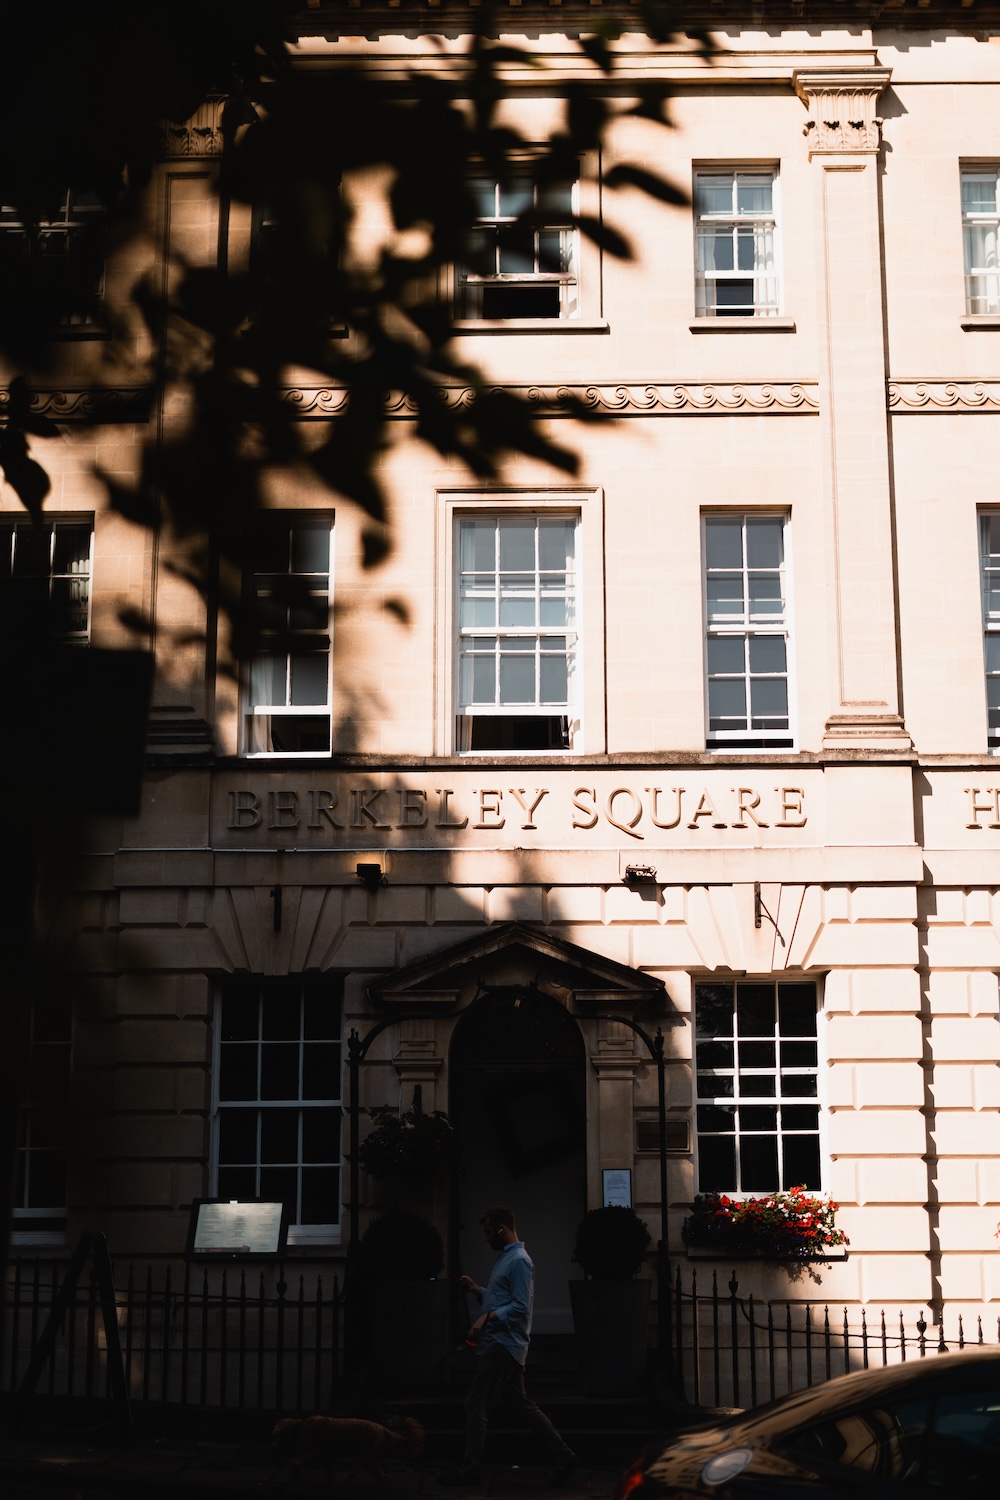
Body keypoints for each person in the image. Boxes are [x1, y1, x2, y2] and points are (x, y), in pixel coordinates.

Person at [436, 1205, 578, 1489]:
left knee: (476, 1405)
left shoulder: (519, 1261)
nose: (486, 1238)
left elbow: (521, 1307)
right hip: (504, 1344)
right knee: (522, 1405)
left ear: (501, 1229)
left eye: (489, 1233)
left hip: (502, 1345)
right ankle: (565, 1457)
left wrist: (486, 1317)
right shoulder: (506, 1258)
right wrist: (478, 1290)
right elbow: (503, 1299)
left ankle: (470, 1471)